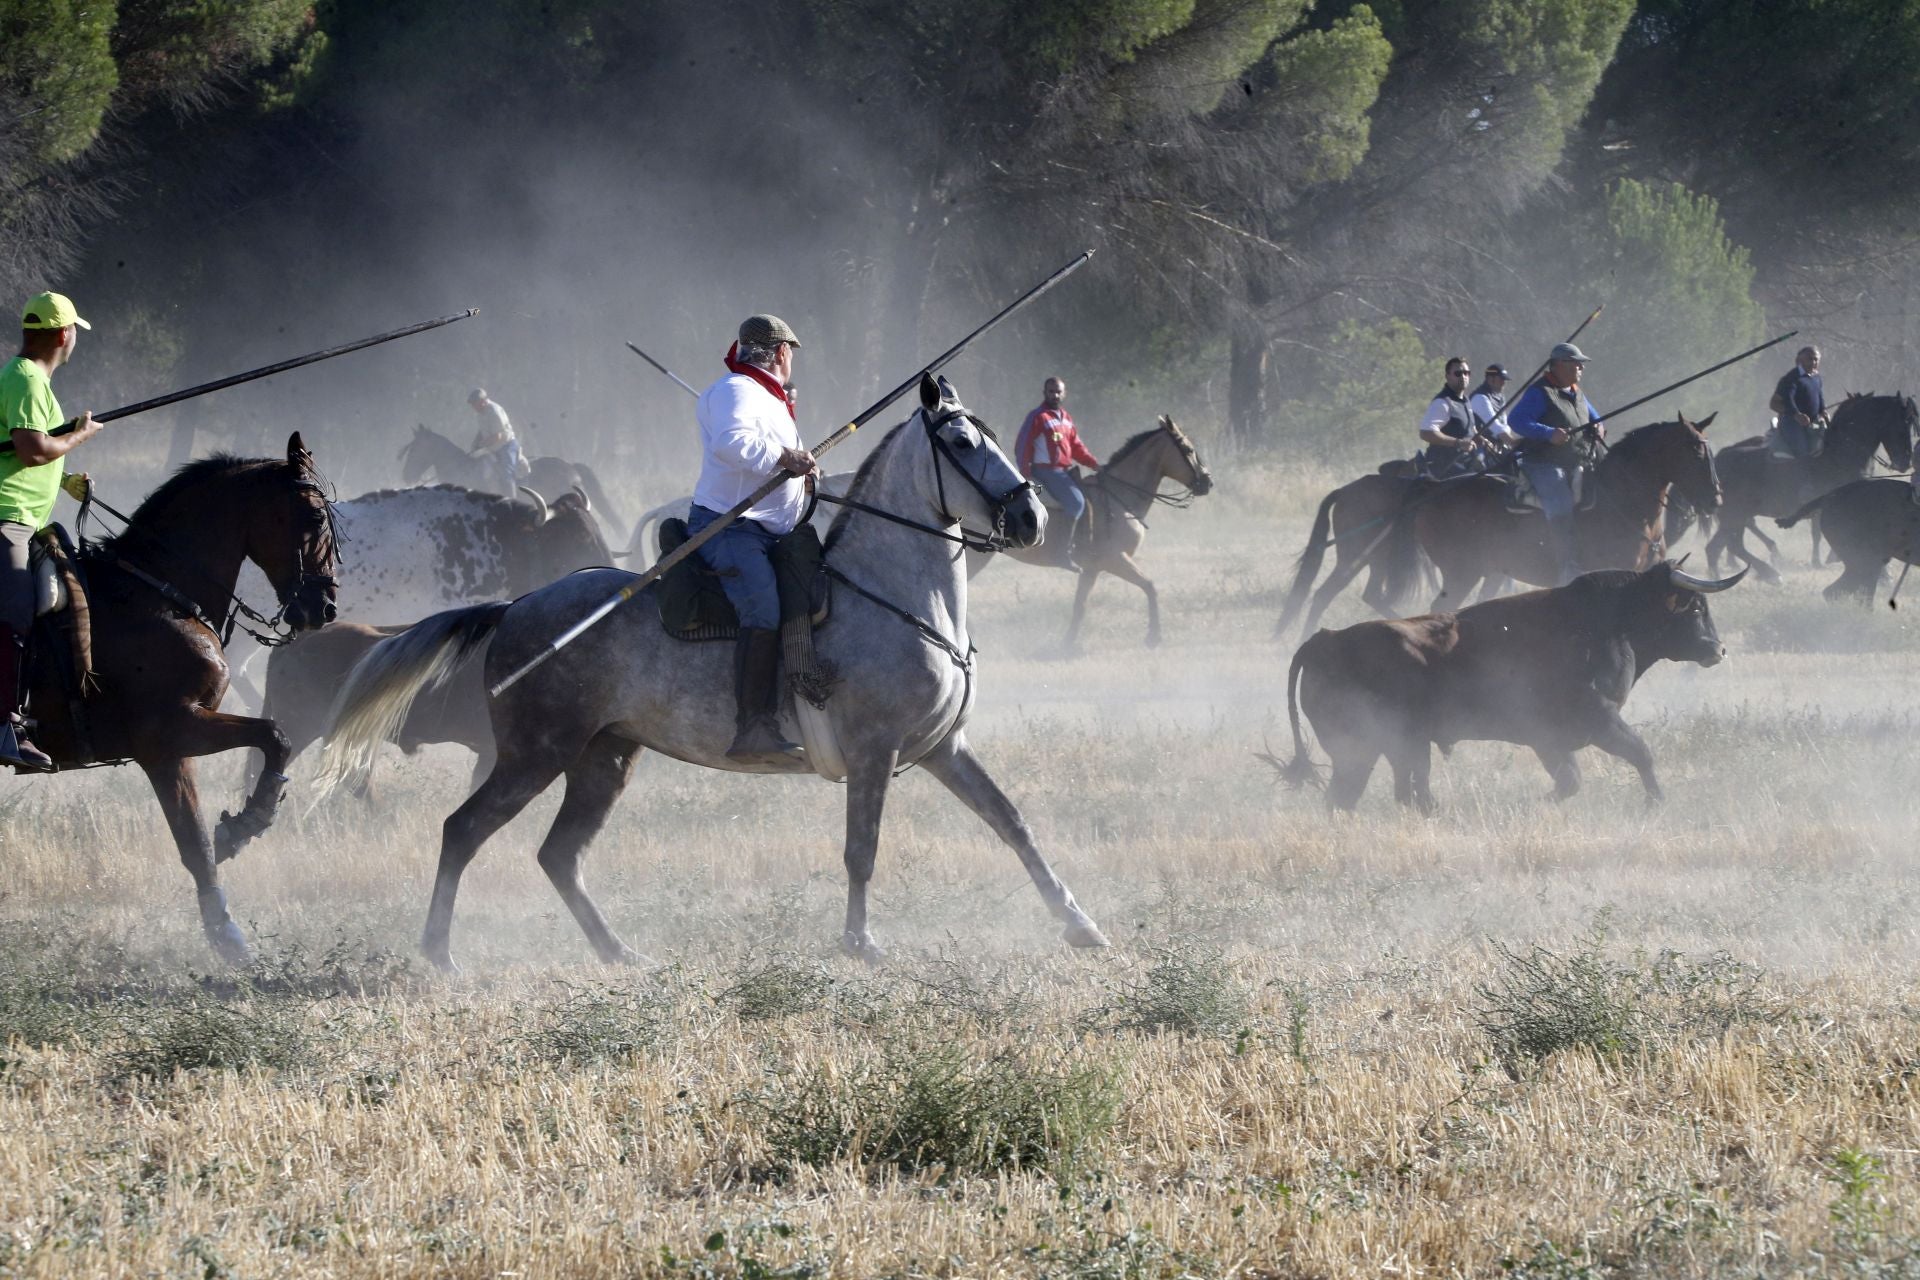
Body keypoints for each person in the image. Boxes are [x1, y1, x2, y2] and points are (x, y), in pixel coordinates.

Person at [689, 314, 816, 764]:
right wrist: (787, 457)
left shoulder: (762, 395)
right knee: (762, 608)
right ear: (782, 353)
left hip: (767, 527)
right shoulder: (737, 391)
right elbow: (732, 443)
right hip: (731, 527)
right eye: (791, 354)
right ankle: (753, 727)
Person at [0, 292, 103, 769]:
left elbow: (23, 453)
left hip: (29, 518)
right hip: (7, 519)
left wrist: (65, 481)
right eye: (75, 331)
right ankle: (5, 726)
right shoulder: (24, 379)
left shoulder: (30, 380)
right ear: (65, 334)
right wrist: (79, 435)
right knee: (16, 611)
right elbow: (31, 450)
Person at [1506, 342, 1605, 585]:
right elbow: (1516, 420)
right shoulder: (1540, 393)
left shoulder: (1577, 391)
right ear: (1559, 365)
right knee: (1561, 504)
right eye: (1576, 363)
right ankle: (1567, 569)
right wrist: (1549, 433)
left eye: (1581, 363)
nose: (1581, 367)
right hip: (1543, 463)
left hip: (1578, 460)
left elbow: (1595, 417)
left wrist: (1599, 426)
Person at [1014, 376, 1101, 569]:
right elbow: (1022, 445)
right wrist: (1026, 472)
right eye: (1051, 391)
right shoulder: (1038, 416)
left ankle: (1081, 547)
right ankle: (1061, 554)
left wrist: (1094, 464)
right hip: (1045, 471)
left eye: (1058, 391)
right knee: (1076, 502)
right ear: (1045, 393)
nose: (1055, 395)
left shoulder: (1066, 418)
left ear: (1064, 393)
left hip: (1063, 471)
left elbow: (1076, 447)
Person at [1418, 357, 1484, 477]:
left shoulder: (1466, 401)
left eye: (1466, 373)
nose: (1463, 376)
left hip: (1465, 462)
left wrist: (1480, 438)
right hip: (1444, 466)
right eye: (1458, 373)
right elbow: (1426, 432)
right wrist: (1458, 443)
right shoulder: (1442, 402)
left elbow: (1469, 428)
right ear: (1447, 376)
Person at [1769, 345, 1827, 459]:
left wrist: (1823, 410)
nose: (1814, 362)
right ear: (1799, 361)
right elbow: (1788, 399)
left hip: (1812, 423)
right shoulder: (1791, 378)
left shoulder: (1816, 377)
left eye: (1816, 359)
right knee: (1803, 451)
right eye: (1810, 359)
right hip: (1791, 423)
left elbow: (1819, 396)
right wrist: (1796, 415)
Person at [466, 388, 520, 496]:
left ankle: (512, 501)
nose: (473, 407)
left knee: (506, 473)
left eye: (474, 404)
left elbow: (498, 436)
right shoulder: (480, 414)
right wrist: (474, 445)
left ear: (482, 401)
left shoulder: (494, 411)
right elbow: (482, 431)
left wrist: (480, 446)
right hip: (492, 447)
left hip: (506, 446)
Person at [1469, 363, 1516, 445]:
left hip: (1497, 444)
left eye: (1504, 380)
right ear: (1490, 379)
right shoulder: (1480, 398)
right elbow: (1495, 426)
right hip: (1480, 446)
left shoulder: (1500, 397)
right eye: (1501, 379)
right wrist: (1513, 443)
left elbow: (1504, 423)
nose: (1504, 383)